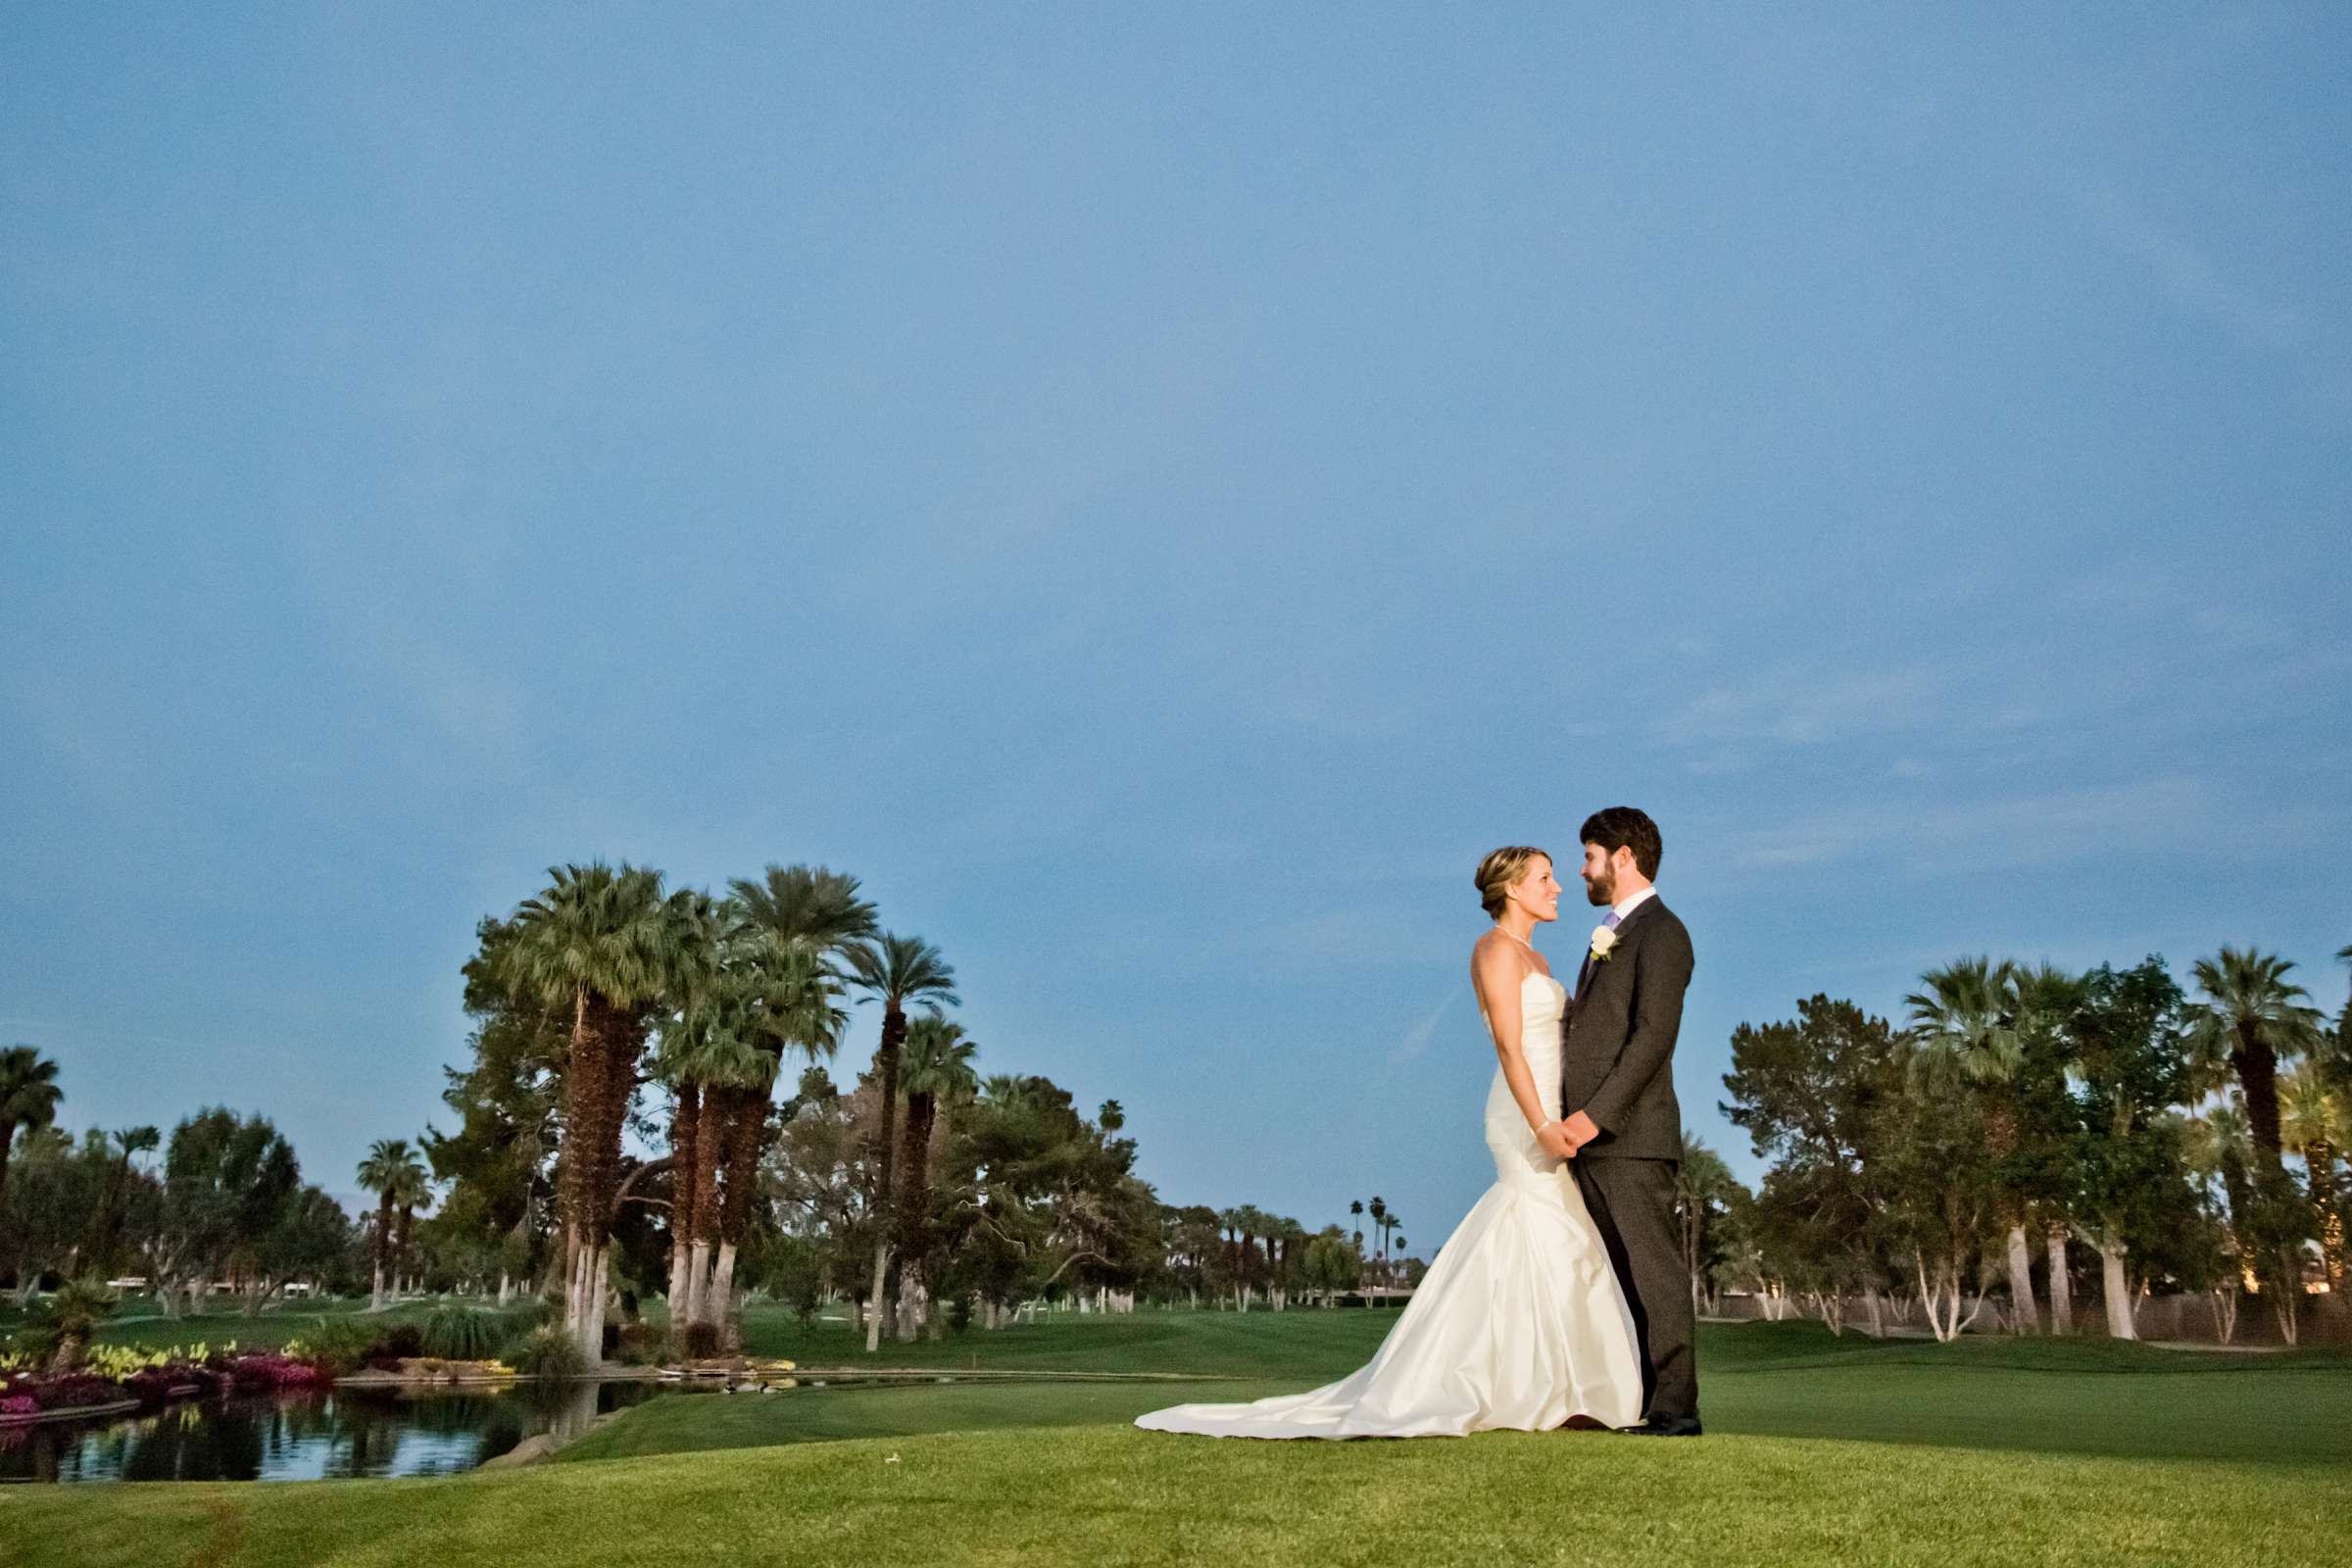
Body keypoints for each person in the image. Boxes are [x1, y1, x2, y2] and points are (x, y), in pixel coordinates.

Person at [1134, 843, 1643, 1439]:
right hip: (1524, 1117)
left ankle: (1556, 1387)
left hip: (1553, 1110)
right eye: (1545, 878)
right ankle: (1519, 1385)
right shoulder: (1494, 951)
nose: (1557, 888)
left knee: (1556, 1240)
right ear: (1512, 889)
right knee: (1539, 1229)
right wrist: (1541, 1126)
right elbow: (1509, 1048)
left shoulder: (1538, 960)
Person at [1558, 806, 1700, 1436]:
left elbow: (1653, 1039)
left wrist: (1595, 1117)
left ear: (1623, 856)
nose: (1582, 870)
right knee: (1617, 1281)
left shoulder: (1663, 933)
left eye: (1589, 856)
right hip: (1591, 1142)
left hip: (1631, 1139)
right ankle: (1636, 1402)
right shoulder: (1612, 933)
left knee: (1653, 1274)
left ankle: (1676, 1409)